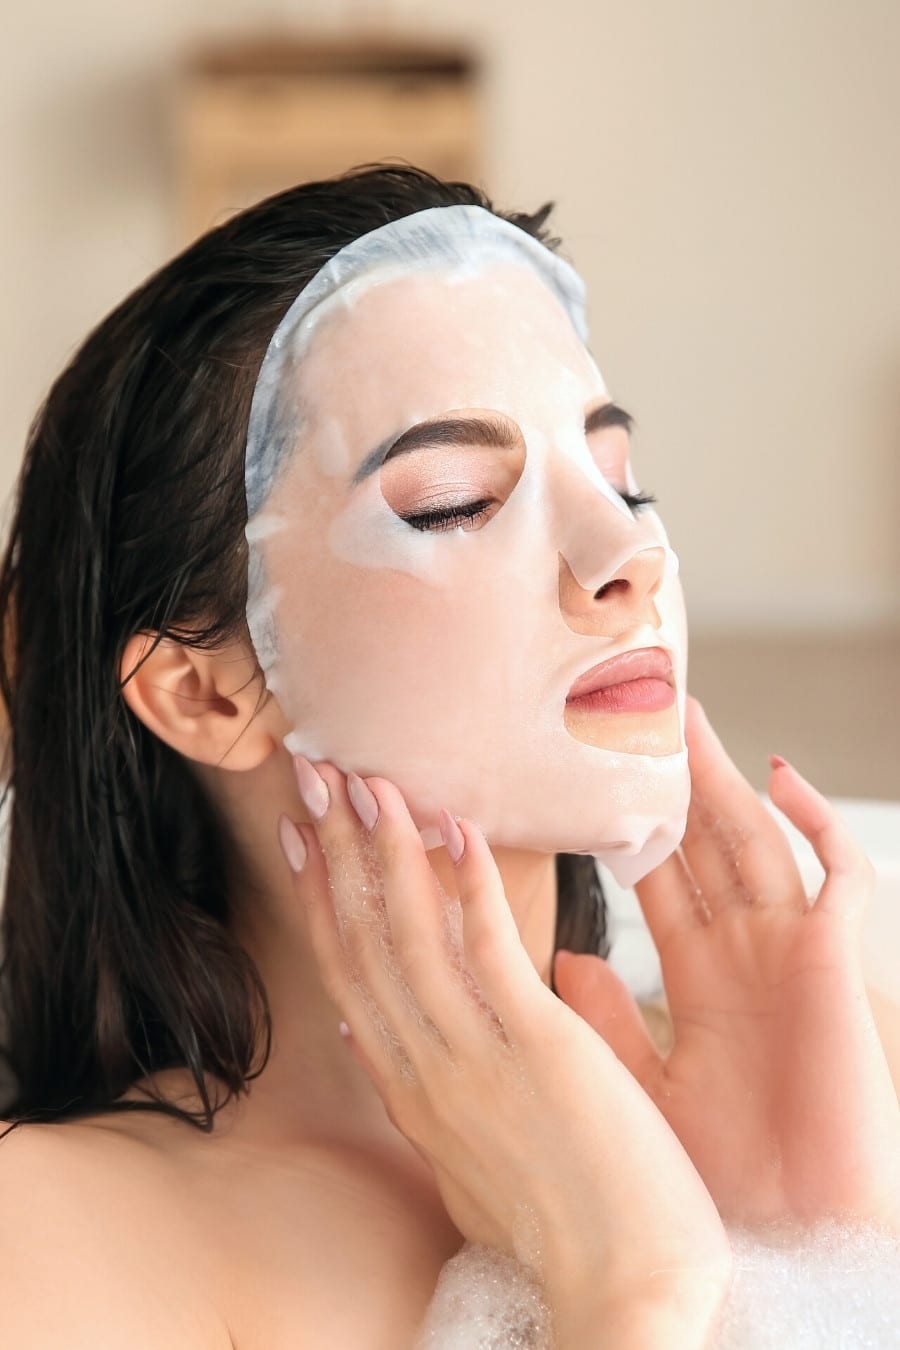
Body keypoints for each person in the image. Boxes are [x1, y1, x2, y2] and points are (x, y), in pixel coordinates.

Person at [0, 165, 896, 1349]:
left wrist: (810, 1231)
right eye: (455, 502)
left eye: (623, 479)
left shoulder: (836, 1057)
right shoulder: (59, 1233)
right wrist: (632, 1292)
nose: (625, 550)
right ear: (206, 692)